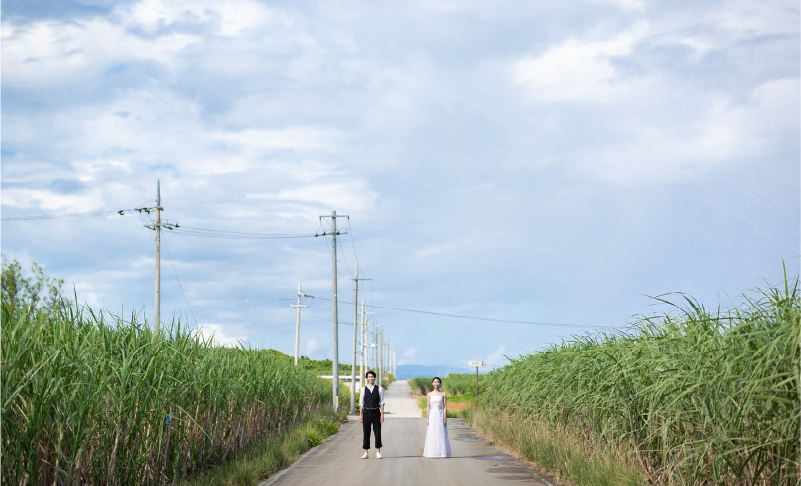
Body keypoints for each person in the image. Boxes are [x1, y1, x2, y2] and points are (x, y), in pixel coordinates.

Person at [423, 376, 452, 458]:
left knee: (441, 433)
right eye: (435, 382)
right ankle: (432, 452)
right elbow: (428, 406)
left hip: (440, 414)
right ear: (432, 383)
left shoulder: (443, 394)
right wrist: (427, 418)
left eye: (438, 382)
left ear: (440, 383)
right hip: (432, 415)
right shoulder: (429, 394)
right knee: (432, 433)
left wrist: (445, 418)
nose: (436, 383)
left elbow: (445, 407)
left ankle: (442, 452)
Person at [359, 370, 384, 459]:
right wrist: (360, 415)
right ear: (367, 378)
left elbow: (382, 402)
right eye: (369, 377)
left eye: (372, 377)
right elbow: (361, 403)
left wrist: (382, 414)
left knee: (377, 432)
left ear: (374, 378)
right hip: (367, 412)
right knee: (366, 432)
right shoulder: (363, 389)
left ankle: (378, 451)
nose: (371, 378)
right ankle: (366, 452)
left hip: (376, 412)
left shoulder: (379, 389)